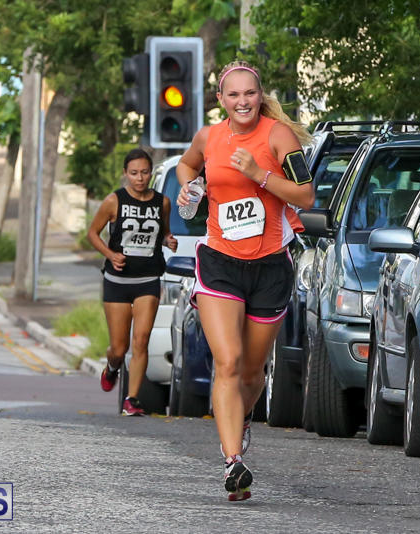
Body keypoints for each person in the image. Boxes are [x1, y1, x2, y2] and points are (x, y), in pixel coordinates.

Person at [176, 60, 314, 501]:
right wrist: (190, 187)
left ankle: (242, 418)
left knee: (252, 372)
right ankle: (233, 461)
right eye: (233, 95)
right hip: (219, 261)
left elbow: (306, 195)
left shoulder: (278, 136)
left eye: (249, 93)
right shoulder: (208, 137)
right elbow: (186, 166)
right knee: (230, 362)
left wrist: (259, 175)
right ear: (221, 99)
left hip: (270, 266)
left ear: (259, 95)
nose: (242, 102)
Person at [87, 148, 178, 416]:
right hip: (117, 281)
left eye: (145, 173)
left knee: (141, 340)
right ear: (126, 174)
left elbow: (163, 232)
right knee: (119, 348)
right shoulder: (114, 201)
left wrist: (168, 240)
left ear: (150, 173)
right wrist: (110, 254)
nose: (140, 178)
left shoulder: (162, 203)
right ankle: (112, 367)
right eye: (134, 173)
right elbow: (92, 233)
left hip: (148, 279)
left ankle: (132, 399)